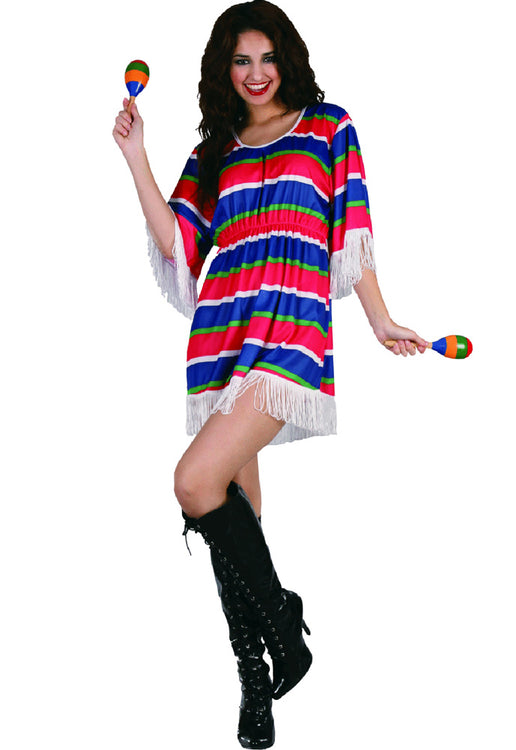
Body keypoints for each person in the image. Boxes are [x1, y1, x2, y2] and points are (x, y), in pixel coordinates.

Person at [113, 1, 427, 746]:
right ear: (224, 70)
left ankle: (285, 628)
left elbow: (352, 229)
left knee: (193, 483)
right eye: (240, 60)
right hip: (221, 337)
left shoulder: (327, 128)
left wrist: (380, 319)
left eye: (267, 57)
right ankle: (254, 679)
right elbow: (178, 242)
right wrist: (135, 157)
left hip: (289, 334)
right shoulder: (215, 152)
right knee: (237, 520)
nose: (256, 73)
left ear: (287, 58)